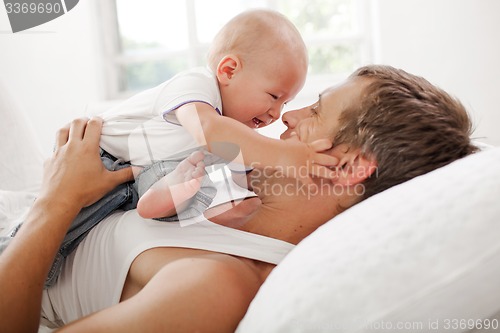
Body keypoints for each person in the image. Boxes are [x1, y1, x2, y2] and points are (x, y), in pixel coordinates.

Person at [0, 65, 477, 332]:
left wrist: (56, 202)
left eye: (319, 109)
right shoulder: (227, 189)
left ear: (350, 168)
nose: (290, 116)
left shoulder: (217, 284)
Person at [4, 9, 339, 289]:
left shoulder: (226, 136)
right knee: (54, 241)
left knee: (191, 179)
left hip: (137, 179)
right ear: (229, 70)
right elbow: (207, 129)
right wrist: (286, 155)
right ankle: (11, 255)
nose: (276, 115)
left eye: (287, 102)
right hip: (100, 156)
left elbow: (209, 164)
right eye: (274, 96)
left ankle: (160, 203)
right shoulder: (196, 88)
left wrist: (229, 200)